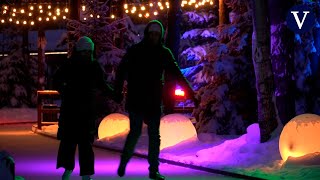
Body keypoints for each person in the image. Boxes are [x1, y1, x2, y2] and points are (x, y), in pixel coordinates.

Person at [114, 20, 195, 180]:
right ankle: (124, 162)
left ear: (160, 36)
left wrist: (190, 92)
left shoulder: (163, 53)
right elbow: (121, 71)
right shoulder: (136, 51)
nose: (153, 37)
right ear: (147, 34)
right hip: (137, 98)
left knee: (154, 136)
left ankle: (153, 170)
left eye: (156, 34)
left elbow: (176, 73)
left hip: (152, 100)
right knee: (135, 132)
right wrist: (118, 91)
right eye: (151, 34)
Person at [53, 36, 113, 180]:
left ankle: (85, 173)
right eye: (84, 52)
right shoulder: (70, 65)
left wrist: (114, 94)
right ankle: (68, 170)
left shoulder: (93, 67)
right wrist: (65, 90)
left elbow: (102, 85)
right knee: (69, 143)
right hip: (71, 111)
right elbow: (56, 81)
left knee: (85, 144)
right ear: (79, 51)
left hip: (86, 112)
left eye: (89, 52)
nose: (86, 54)